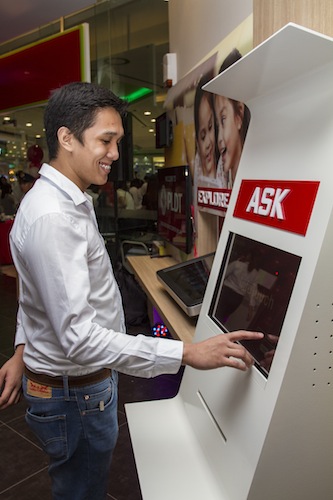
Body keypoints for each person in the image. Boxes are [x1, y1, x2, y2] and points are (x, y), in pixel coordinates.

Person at [0, 81, 263, 500]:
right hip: (76, 393)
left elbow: (35, 295)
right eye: (106, 140)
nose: (116, 155)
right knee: (81, 491)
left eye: (118, 141)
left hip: (71, 384)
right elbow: (79, 339)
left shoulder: (60, 201)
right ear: (66, 138)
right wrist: (187, 352)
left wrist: (21, 349)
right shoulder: (54, 218)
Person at [214, 49, 251, 189]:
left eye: (223, 119)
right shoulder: (221, 171)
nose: (219, 139)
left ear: (239, 115)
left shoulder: (259, 164)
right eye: (217, 125)